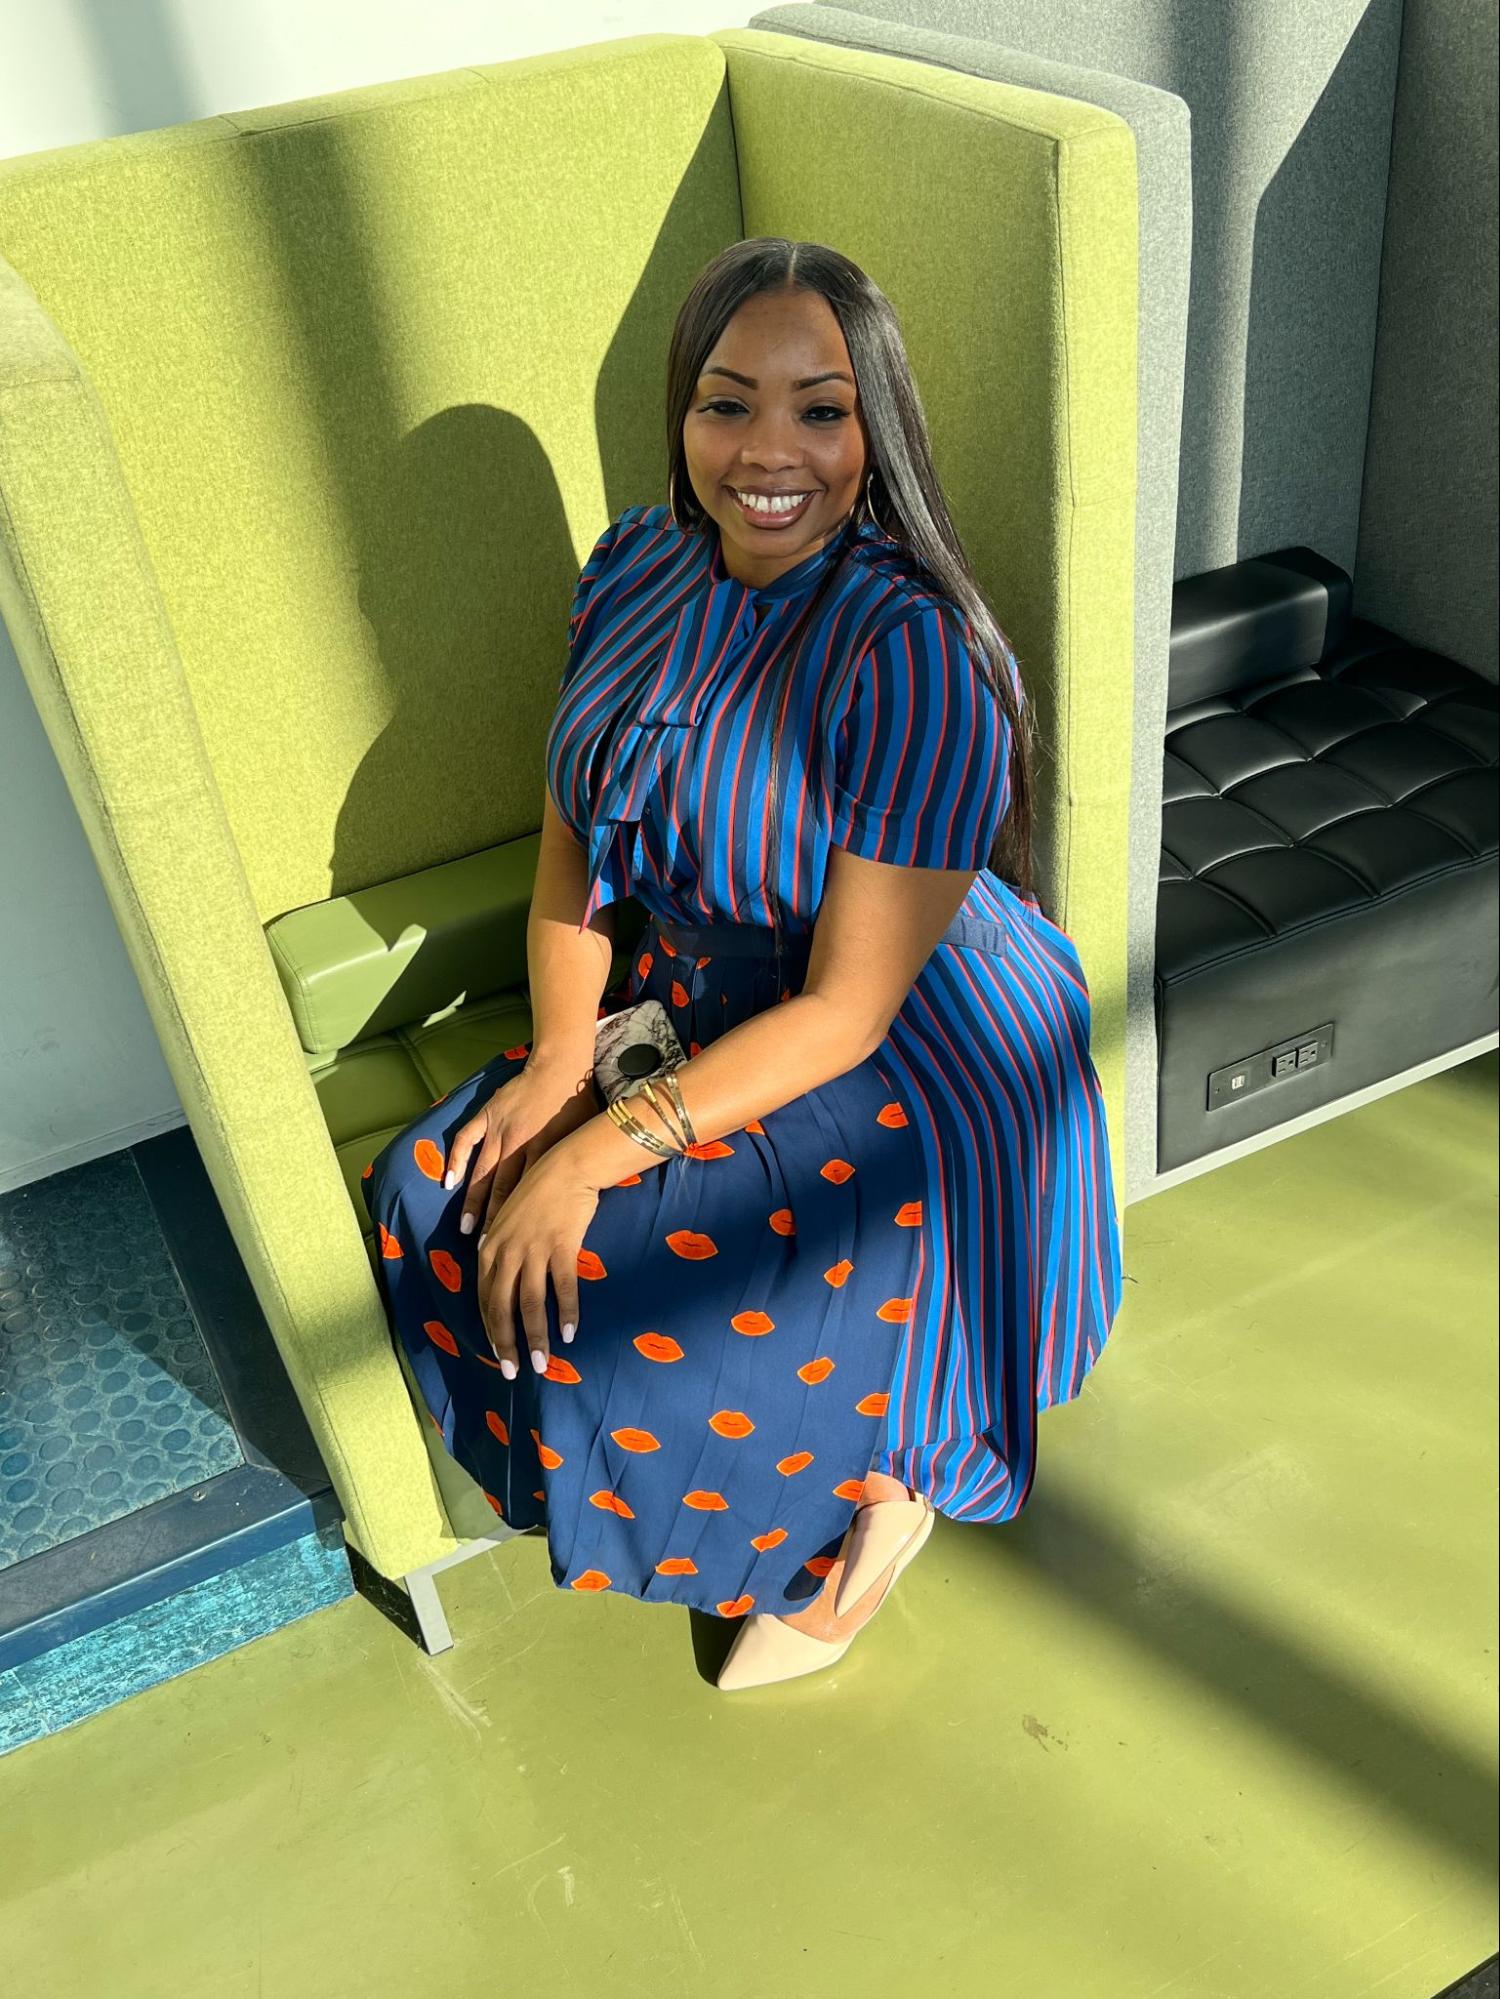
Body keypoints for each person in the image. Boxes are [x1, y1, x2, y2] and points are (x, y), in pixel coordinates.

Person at [363, 238, 1124, 1691]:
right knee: (434, 1190)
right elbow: (572, 849)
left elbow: (846, 1004)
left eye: (819, 411)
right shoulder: (634, 562)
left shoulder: (915, 656)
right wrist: (557, 1065)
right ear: (682, 414)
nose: (768, 451)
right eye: (728, 404)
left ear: (875, 429)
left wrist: (592, 1157)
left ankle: (876, 1496)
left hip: (898, 1031)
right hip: (696, 990)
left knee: (619, 1253)